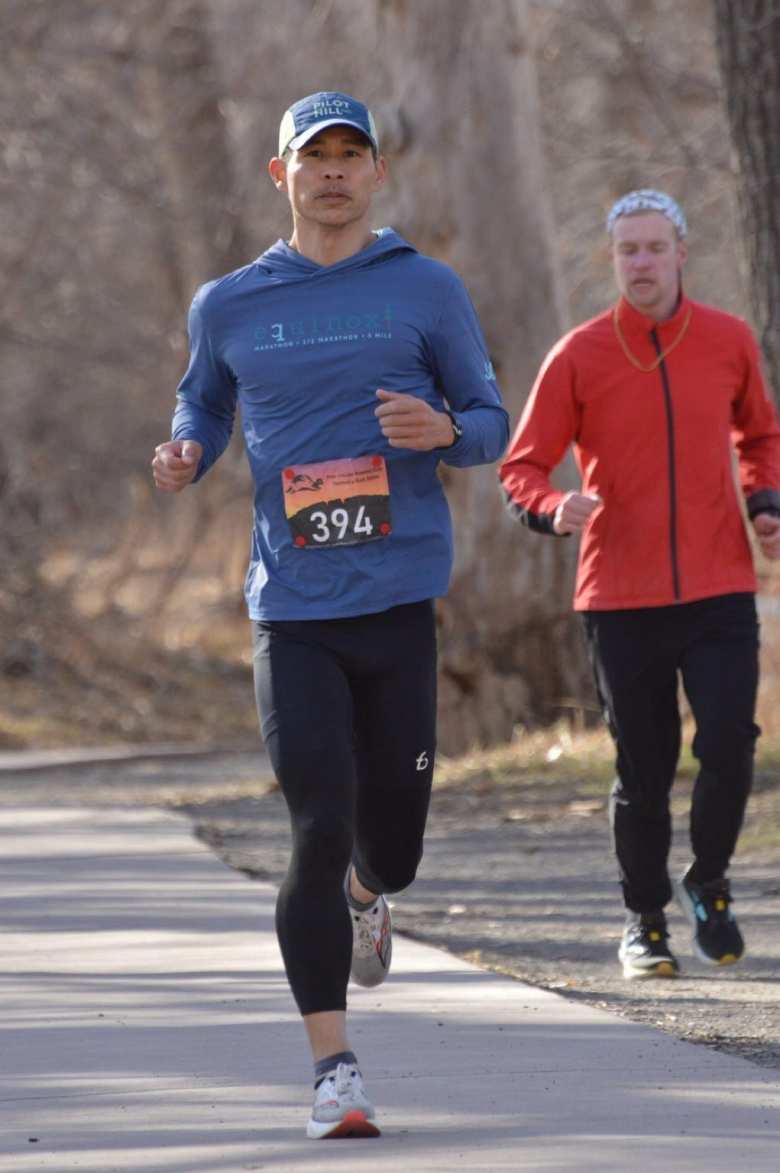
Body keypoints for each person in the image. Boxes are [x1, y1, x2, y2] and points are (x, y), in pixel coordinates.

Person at [152, 91, 508, 1137]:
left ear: (376, 173)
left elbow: (488, 422)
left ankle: (371, 890)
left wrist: (441, 426)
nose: (336, 172)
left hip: (396, 602)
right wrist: (185, 451)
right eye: (317, 157)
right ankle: (333, 1068)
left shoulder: (426, 290)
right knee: (314, 819)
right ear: (283, 176)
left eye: (354, 155)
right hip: (293, 606)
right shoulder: (230, 303)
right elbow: (203, 404)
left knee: (388, 845)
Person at [499, 188, 780, 981]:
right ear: (612, 258)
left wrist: (765, 503)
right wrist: (555, 507)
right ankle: (644, 921)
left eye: (655, 247)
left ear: (681, 252)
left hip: (720, 581)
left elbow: (760, 433)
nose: (642, 262)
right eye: (628, 250)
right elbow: (519, 467)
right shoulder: (580, 353)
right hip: (619, 594)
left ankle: (710, 880)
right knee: (644, 766)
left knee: (730, 741)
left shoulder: (725, 340)